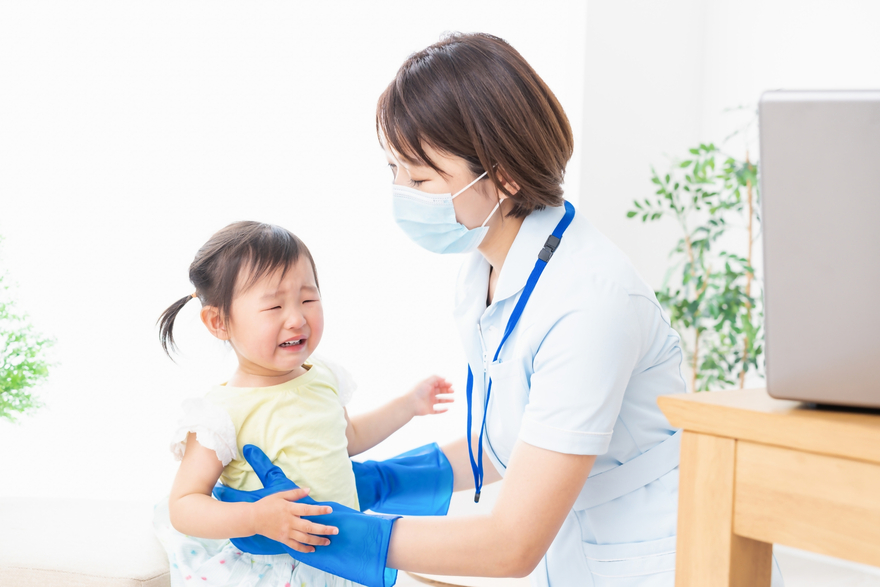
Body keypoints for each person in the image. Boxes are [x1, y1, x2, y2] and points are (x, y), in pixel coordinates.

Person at [219, 33, 784, 586]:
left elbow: (511, 543)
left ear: (504, 175)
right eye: (394, 172)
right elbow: (510, 442)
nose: (402, 194)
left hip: (661, 561)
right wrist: (378, 481)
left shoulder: (590, 305)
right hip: (578, 552)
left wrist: (332, 531)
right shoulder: (488, 267)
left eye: (420, 178)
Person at [152, 221, 453, 587]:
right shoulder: (220, 414)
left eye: (308, 299)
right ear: (219, 322)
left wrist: (408, 405)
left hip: (340, 559)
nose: (296, 319)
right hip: (277, 568)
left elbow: (349, 437)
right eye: (274, 306)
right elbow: (184, 505)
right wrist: (255, 517)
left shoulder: (322, 375)